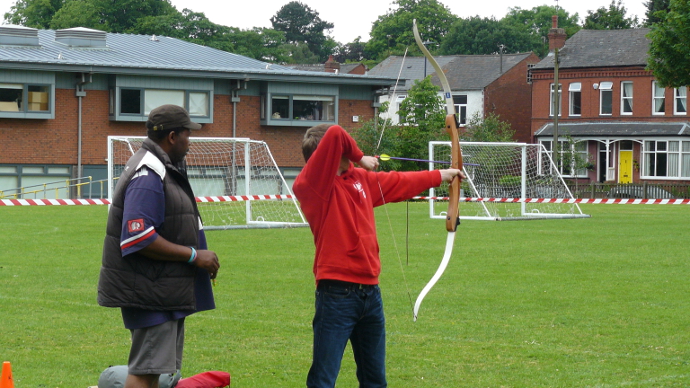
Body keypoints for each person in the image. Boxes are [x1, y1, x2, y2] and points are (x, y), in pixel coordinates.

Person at [292, 124, 464, 388]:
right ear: (326, 155)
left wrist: (443, 174)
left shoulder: (360, 179)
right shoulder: (312, 186)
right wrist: (361, 156)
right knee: (323, 379)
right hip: (337, 294)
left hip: (370, 293)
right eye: (344, 150)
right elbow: (336, 132)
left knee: (375, 380)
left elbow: (400, 182)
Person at [98, 104, 220, 388]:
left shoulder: (161, 166)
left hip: (162, 290)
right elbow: (137, 237)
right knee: (146, 372)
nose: (191, 142)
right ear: (173, 136)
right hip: (150, 291)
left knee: (156, 372)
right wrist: (193, 256)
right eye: (188, 134)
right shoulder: (149, 173)